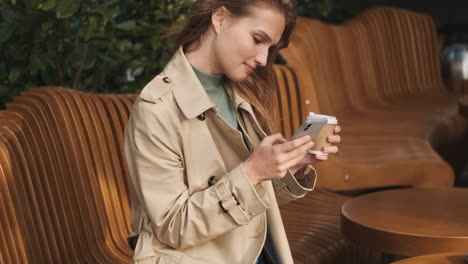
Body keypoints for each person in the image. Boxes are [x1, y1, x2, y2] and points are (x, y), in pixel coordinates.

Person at [124, 0, 341, 263]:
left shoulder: (237, 93)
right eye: (257, 39)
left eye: (270, 48)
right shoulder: (157, 109)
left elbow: (246, 202)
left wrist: (290, 166)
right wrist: (252, 172)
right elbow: (173, 227)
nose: (263, 59)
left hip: (257, 252)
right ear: (220, 19)